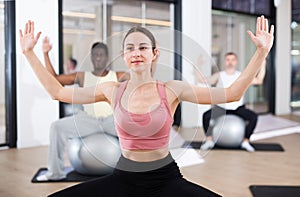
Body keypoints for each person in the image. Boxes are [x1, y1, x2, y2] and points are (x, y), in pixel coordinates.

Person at [20, 16, 274, 196]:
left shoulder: (173, 89)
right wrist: (30, 53)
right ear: (125, 56)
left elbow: (231, 93)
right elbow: (57, 91)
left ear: (154, 53)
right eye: (130, 48)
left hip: (164, 177)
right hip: (123, 175)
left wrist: (261, 53)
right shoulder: (111, 90)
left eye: (143, 47)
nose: (136, 52)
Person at [37, 39, 129, 181]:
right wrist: (45, 54)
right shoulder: (81, 76)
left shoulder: (119, 76)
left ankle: (139, 172)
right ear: (91, 57)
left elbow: (141, 79)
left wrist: (131, 58)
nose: (98, 58)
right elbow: (54, 80)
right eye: (95, 55)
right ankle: (55, 173)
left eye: (102, 55)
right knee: (56, 127)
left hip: (112, 120)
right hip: (88, 120)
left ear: (107, 58)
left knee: (137, 128)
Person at [197, 52, 266, 152]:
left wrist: (263, 64)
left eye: (232, 60)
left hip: (237, 108)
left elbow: (259, 80)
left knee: (253, 117)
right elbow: (202, 80)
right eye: (228, 60)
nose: (230, 62)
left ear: (236, 62)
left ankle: (245, 141)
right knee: (206, 116)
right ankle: (209, 140)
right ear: (225, 62)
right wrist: (199, 65)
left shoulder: (241, 76)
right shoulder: (219, 75)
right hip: (221, 108)